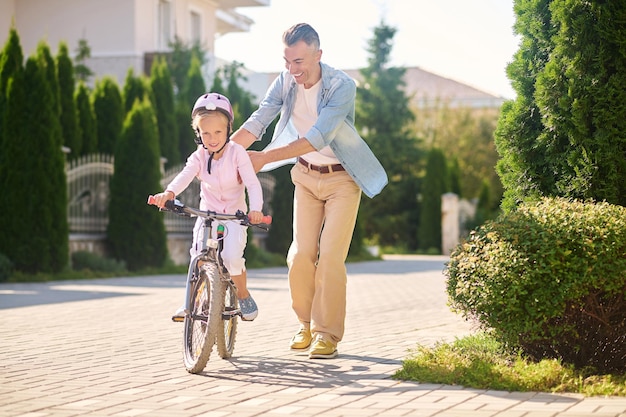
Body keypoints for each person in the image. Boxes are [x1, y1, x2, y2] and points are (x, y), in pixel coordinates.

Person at [230, 23, 388, 359]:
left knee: (330, 256)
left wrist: (264, 158)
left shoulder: (341, 86)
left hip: (343, 179)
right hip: (305, 175)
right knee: (301, 254)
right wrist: (223, 153)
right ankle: (305, 323)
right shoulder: (286, 80)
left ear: (318, 55)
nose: (293, 70)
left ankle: (327, 333)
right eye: (287, 61)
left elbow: (318, 137)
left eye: (299, 61)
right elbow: (261, 120)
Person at [152, 92, 264, 322]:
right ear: (198, 133)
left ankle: (242, 294)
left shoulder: (237, 153)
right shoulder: (199, 156)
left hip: (235, 216)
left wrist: (256, 209)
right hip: (208, 214)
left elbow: (252, 184)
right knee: (198, 257)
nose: (212, 138)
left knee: (232, 257)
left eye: (218, 132)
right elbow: (185, 175)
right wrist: (169, 193)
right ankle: (190, 303)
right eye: (205, 133)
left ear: (228, 130)